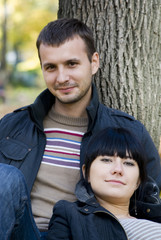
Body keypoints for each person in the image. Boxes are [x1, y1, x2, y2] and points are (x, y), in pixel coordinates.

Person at [0, 18, 160, 239]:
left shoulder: (127, 131)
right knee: (5, 176)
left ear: (94, 62)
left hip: (81, 234)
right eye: (51, 67)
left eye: (72, 64)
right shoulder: (12, 126)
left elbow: (149, 204)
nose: (62, 77)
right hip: (18, 232)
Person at [47, 127, 161, 240]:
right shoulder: (70, 216)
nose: (118, 169)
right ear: (86, 173)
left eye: (128, 163)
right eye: (107, 160)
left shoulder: (155, 217)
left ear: (139, 180)